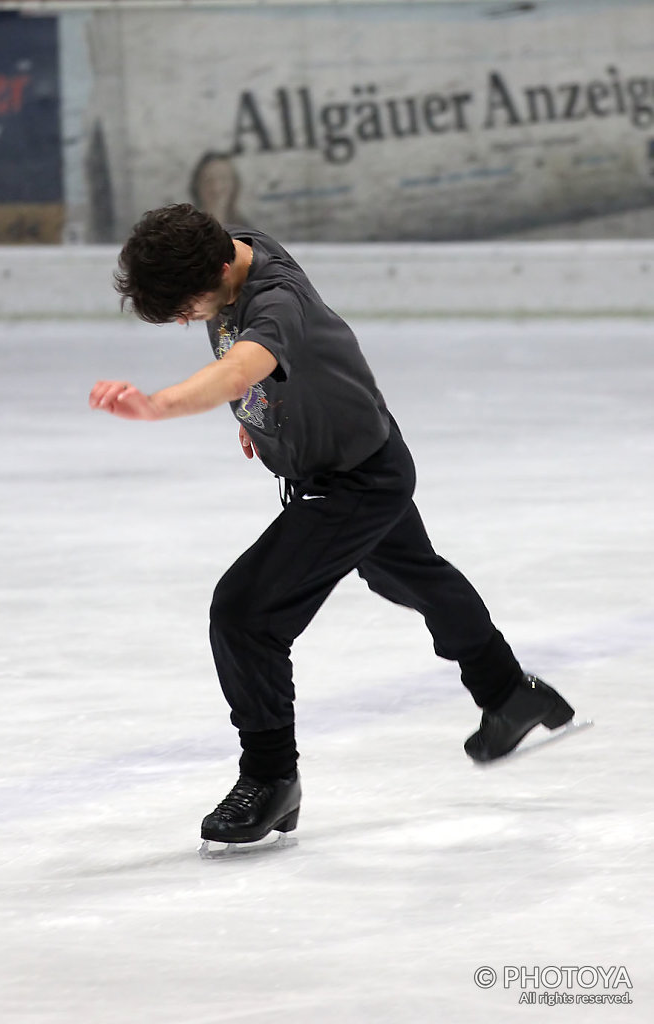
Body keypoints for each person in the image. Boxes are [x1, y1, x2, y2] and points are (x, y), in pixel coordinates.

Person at [89, 203, 574, 847]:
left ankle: (270, 778)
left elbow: (242, 365)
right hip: (368, 452)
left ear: (217, 266)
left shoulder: (275, 300)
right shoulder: (233, 249)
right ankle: (510, 692)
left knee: (245, 613)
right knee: (413, 578)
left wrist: (160, 405)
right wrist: (255, 416)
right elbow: (252, 366)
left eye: (185, 307)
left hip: (350, 483)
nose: (184, 320)